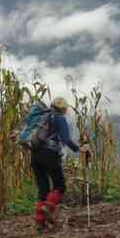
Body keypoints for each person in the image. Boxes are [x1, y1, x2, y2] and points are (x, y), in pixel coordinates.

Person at [32, 97, 85, 230]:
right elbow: (65, 139)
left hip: (35, 154)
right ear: (63, 109)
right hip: (49, 154)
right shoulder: (60, 118)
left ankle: (39, 222)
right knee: (60, 186)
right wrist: (78, 149)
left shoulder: (42, 117)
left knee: (43, 188)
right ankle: (47, 207)